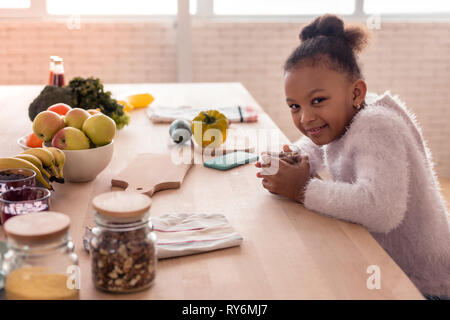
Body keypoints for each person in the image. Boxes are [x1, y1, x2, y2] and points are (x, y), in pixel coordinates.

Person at [256, 14, 450, 299]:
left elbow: (380, 210)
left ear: (356, 92)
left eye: (318, 100)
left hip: (425, 285)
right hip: (388, 267)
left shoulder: (376, 126)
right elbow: (322, 143)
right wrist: (293, 156)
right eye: (294, 106)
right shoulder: (350, 115)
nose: (306, 117)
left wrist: (301, 188)